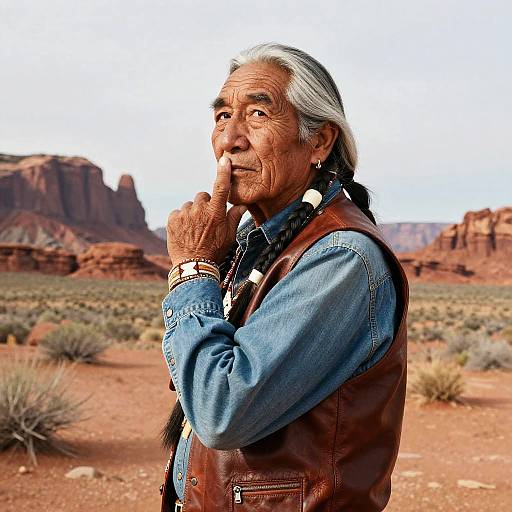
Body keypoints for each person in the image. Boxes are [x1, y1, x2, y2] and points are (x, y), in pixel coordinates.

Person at [159, 43, 409, 512]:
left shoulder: (341, 258)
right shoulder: (255, 242)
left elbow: (219, 411)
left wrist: (192, 269)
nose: (230, 139)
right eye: (221, 116)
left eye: (257, 114)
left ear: (319, 141)